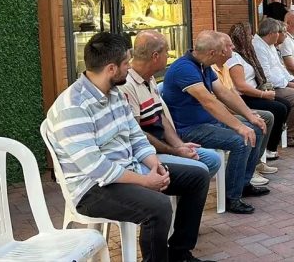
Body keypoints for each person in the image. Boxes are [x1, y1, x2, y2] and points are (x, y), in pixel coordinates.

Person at [44, 32, 211, 262]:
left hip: (129, 169)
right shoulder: (72, 107)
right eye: (126, 63)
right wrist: (145, 181)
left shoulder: (114, 94)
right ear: (111, 69)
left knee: (198, 176)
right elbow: (97, 168)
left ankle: (179, 254)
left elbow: (136, 136)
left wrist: (155, 165)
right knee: (159, 207)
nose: (130, 68)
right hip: (92, 189)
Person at [162, 30, 270, 215]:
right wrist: (239, 126)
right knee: (240, 140)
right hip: (189, 130)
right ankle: (231, 197)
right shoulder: (184, 68)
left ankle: (243, 184)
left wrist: (249, 116)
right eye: (226, 48)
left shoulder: (203, 66)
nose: (232, 49)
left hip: (207, 124)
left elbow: (224, 93)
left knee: (257, 129)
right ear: (213, 53)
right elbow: (209, 101)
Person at [120, 30, 221, 178]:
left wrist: (179, 145)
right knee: (199, 171)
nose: (168, 56)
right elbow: (137, 135)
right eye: (166, 52)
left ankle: (185, 192)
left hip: (165, 145)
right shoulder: (127, 85)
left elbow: (161, 116)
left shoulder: (149, 77)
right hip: (147, 154)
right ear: (155, 56)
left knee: (212, 159)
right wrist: (174, 150)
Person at [227, 22, 290, 160]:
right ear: (241, 37)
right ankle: (267, 150)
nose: (251, 37)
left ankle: (271, 145)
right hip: (244, 97)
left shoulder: (246, 52)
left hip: (254, 92)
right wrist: (263, 94)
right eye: (248, 34)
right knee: (278, 109)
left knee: (284, 105)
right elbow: (241, 86)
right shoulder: (234, 57)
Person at [253, 18, 294, 145]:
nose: (281, 35)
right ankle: (288, 134)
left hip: (281, 82)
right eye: (279, 32)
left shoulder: (270, 45)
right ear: (271, 33)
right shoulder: (259, 47)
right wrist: (287, 83)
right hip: (270, 87)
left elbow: (280, 68)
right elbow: (266, 76)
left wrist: (293, 80)